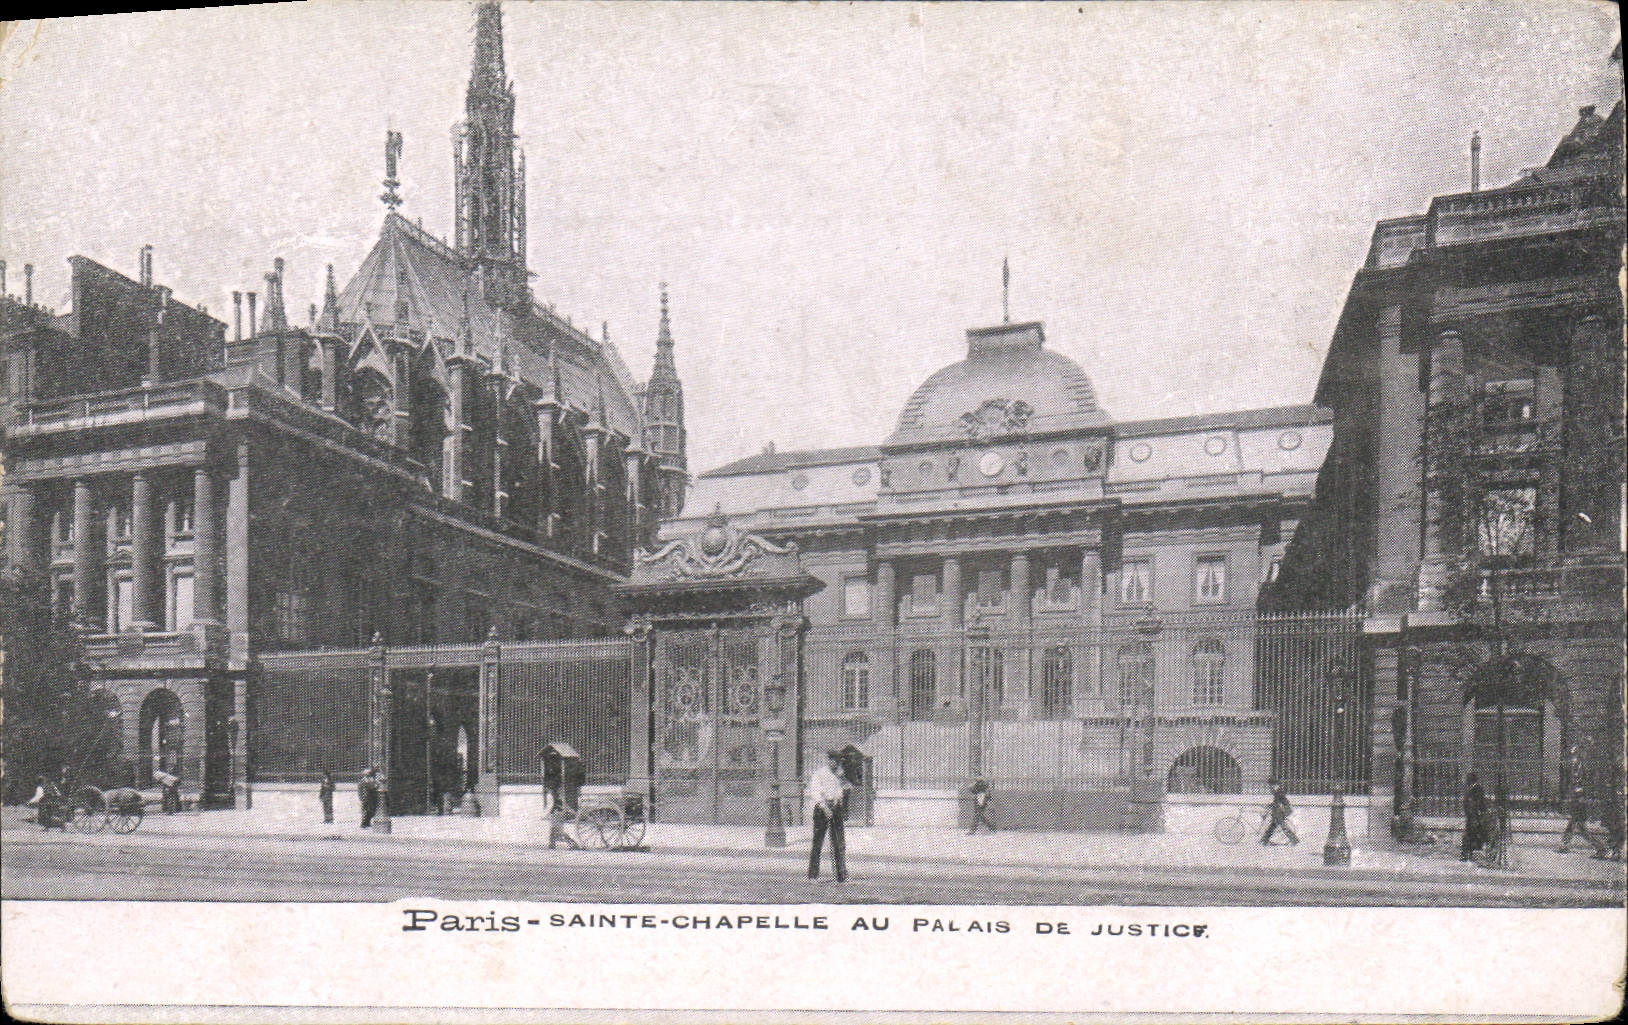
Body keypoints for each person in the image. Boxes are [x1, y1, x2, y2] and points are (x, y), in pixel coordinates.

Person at [807, 750, 850, 882]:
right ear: (828, 760)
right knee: (818, 842)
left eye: (837, 761)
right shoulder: (820, 774)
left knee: (838, 842)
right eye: (832, 761)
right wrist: (825, 808)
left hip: (835, 808)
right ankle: (813, 875)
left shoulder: (839, 775)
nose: (835, 764)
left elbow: (843, 790)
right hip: (822, 809)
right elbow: (815, 792)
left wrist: (838, 802)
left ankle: (840, 875)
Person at [1559, 783, 1603, 854]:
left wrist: (1577, 818)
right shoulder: (1579, 801)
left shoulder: (1581, 801)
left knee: (1584, 834)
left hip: (1579, 819)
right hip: (1576, 818)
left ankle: (1600, 847)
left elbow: (1581, 811)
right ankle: (1565, 845)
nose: (1575, 796)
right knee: (1569, 831)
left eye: (1577, 794)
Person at [1460, 772, 1488, 861]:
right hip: (1471, 816)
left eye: (1467, 779)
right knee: (1470, 835)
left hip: (1474, 816)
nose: (1466, 781)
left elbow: (1479, 803)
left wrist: (1477, 813)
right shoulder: (1472, 788)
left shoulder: (1477, 789)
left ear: (1471, 780)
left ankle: (1467, 855)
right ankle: (1467, 854)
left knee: (1470, 835)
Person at [1262, 779, 1299, 845]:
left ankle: (1294, 840)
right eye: (1271, 786)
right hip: (1278, 811)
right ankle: (1265, 839)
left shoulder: (1279, 792)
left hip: (1280, 812)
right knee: (1273, 825)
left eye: (1272, 786)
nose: (1271, 787)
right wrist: (1270, 805)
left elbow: (1283, 802)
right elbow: (1276, 802)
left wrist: (1273, 805)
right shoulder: (1277, 792)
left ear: (1276, 785)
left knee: (1282, 826)